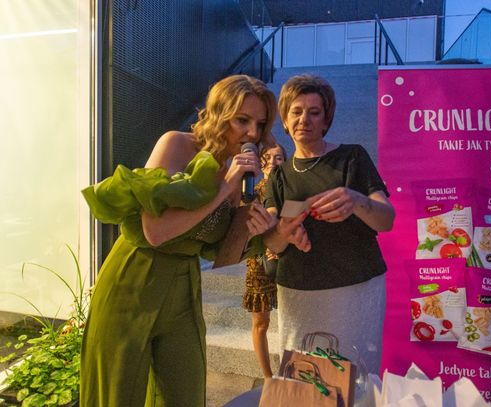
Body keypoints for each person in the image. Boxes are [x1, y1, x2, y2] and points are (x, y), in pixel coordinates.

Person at [80, 74, 277, 407]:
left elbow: (220, 255)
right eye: (242, 120)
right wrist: (224, 189)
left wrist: (256, 228)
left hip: (184, 285)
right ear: (220, 113)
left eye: (259, 124)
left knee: (186, 393)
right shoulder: (176, 144)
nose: (253, 134)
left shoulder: (231, 170)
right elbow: (155, 232)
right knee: (116, 392)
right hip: (134, 279)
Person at [263, 74, 395, 374]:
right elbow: (272, 242)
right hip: (298, 291)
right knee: (303, 378)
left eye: (314, 112)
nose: (304, 120)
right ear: (285, 120)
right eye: (296, 111)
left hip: (355, 286)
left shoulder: (352, 157)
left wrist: (355, 200)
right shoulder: (279, 175)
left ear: (326, 120)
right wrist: (286, 233)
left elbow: (387, 219)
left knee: (355, 377)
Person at [242, 143, 287, 378]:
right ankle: (268, 377)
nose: (272, 162)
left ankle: (293, 369)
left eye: (278, 158)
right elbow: (242, 230)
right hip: (259, 264)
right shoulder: (251, 193)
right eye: (267, 157)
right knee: (261, 323)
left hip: (289, 262)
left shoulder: (292, 190)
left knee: (291, 321)